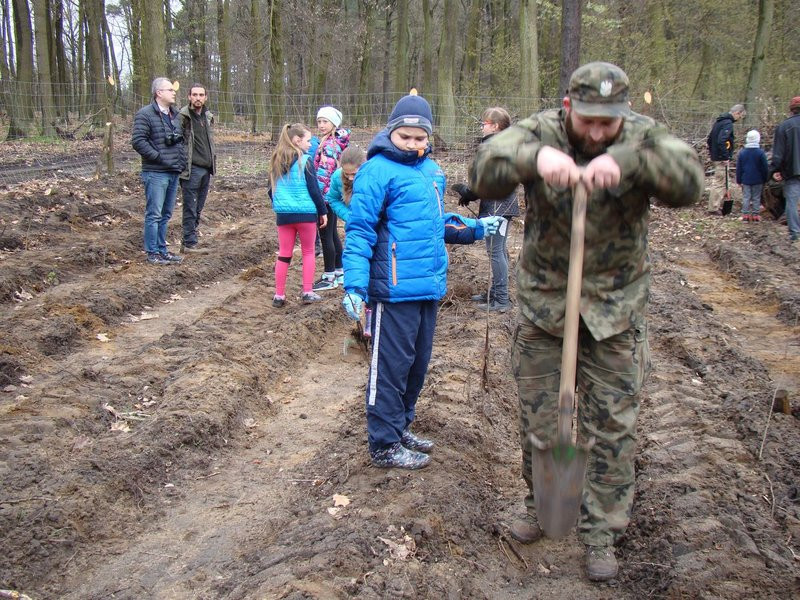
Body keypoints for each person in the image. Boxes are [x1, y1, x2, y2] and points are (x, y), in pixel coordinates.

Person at [469, 62, 704, 582]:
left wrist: (626, 162)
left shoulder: (640, 137)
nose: (598, 132)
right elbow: (484, 167)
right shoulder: (542, 130)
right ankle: (540, 507)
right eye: (589, 122)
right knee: (541, 421)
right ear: (570, 108)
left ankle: (602, 532)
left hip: (615, 310)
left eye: (609, 123)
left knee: (613, 427)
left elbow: (691, 181)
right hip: (546, 306)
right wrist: (535, 156)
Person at [342, 92, 503, 470]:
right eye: (406, 137)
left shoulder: (431, 171)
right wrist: (354, 286)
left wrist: (476, 227)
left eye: (420, 138)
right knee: (391, 368)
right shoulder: (375, 171)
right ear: (391, 133)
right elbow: (360, 231)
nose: (414, 144)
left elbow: (434, 225)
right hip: (393, 289)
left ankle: (400, 428)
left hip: (428, 286)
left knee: (416, 366)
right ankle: (383, 444)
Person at [451, 106, 521, 312]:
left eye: (485, 123)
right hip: (500, 204)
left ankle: (501, 299)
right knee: (497, 250)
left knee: (495, 251)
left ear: (495, 126)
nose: (482, 127)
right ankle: (496, 292)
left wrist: (468, 192)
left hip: (498, 206)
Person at [268, 123, 328, 307]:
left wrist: (279, 205)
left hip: (284, 215)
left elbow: (270, 190)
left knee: (284, 254)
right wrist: (322, 211)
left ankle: (279, 295)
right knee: (308, 252)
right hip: (305, 214)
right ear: (297, 140)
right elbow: (314, 190)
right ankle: (307, 291)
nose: (311, 144)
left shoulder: (276, 160)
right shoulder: (305, 160)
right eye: (308, 140)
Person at [131, 77, 187, 265]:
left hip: (173, 171)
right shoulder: (145, 114)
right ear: (158, 93)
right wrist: (158, 157)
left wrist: (180, 161)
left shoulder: (175, 115)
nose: (173, 92)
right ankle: (152, 252)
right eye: (169, 89)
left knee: (166, 214)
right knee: (154, 213)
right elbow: (138, 141)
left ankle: (162, 249)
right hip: (156, 172)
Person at [312, 106, 351, 291]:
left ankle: (329, 276)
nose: (321, 125)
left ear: (334, 123)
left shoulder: (330, 145)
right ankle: (339, 271)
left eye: (325, 121)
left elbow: (323, 174)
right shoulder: (333, 141)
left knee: (326, 234)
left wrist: (318, 198)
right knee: (333, 234)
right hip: (333, 193)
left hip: (326, 196)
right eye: (319, 121)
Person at [179, 83, 217, 253]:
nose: (198, 98)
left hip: (206, 168)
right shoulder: (183, 116)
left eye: (201, 95)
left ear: (205, 97)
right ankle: (189, 242)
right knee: (190, 206)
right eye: (194, 95)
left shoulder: (207, 117)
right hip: (191, 168)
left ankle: (189, 239)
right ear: (189, 97)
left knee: (199, 206)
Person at [770, 96, 800, 243]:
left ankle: (795, 234)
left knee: (792, 203)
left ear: (791, 110)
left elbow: (778, 156)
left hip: (792, 172)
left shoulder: (784, 127)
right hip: (791, 172)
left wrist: (771, 172)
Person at [707, 103, 746, 215]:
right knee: (720, 182)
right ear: (737, 113)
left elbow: (710, 139)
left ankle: (717, 205)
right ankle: (713, 208)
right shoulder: (728, 123)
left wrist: (713, 153)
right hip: (721, 158)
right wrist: (725, 156)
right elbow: (721, 140)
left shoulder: (719, 122)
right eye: (740, 116)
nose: (739, 119)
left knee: (723, 181)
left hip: (716, 156)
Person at [326, 146, 367, 223]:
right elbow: (333, 199)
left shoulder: (373, 177)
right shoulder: (337, 177)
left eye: (354, 174)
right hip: (353, 225)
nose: (350, 178)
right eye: (346, 174)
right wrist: (349, 217)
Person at [735, 130, 768, 222]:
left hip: (745, 179)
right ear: (758, 139)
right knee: (756, 197)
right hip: (758, 179)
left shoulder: (742, 153)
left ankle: (745, 215)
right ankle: (755, 215)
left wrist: (738, 180)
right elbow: (764, 168)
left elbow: (739, 168)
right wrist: (765, 178)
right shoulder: (761, 153)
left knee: (746, 197)